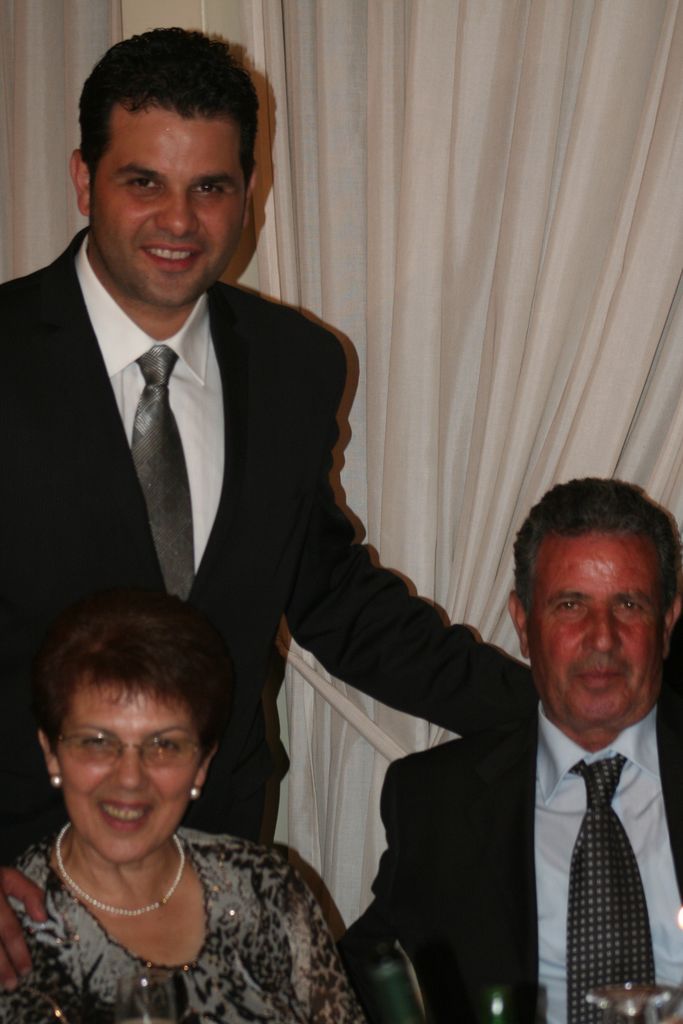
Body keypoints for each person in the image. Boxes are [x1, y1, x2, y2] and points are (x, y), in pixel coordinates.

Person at [0, 27, 537, 986]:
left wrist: (555, 713)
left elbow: (335, 596)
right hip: (16, 897)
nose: (179, 219)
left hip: (216, 884)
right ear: (83, 180)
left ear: (250, 189)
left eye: (210, 186)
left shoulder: (296, 365)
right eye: (144, 182)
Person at [340, 478, 683, 1024]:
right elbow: (355, 980)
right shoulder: (438, 802)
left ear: (666, 623)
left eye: (628, 604)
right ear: (523, 624)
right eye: (570, 605)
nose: (602, 637)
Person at [0, 589, 365, 1022]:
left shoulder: (267, 892)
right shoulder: (11, 935)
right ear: (51, 754)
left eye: (165, 745)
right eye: (97, 742)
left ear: (202, 765)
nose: (130, 778)